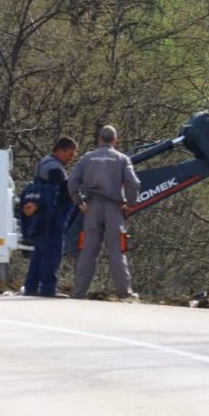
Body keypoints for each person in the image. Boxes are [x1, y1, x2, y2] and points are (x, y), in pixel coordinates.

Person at [68, 125, 141, 300]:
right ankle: (124, 293)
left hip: (91, 208)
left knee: (87, 251)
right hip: (114, 209)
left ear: (99, 139)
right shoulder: (122, 159)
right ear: (115, 141)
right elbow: (134, 183)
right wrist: (129, 204)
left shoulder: (87, 158)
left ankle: (79, 293)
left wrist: (80, 202)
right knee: (117, 251)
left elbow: (72, 182)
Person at [23, 136, 78, 297]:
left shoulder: (44, 162)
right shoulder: (55, 169)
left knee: (39, 254)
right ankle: (48, 288)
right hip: (52, 218)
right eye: (69, 154)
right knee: (52, 254)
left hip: (41, 218)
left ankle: (31, 287)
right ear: (60, 150)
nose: (71, 158)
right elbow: (52, 194)